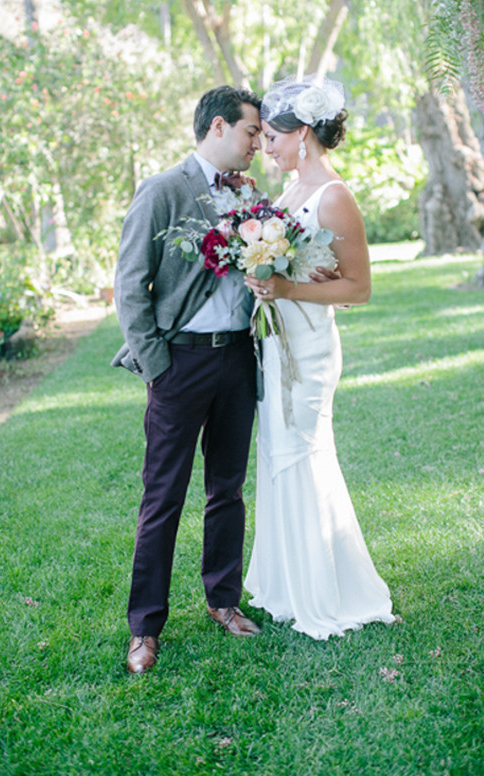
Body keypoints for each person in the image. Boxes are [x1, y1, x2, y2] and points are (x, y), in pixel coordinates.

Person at [112, 85, 264, 674]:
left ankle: (223, 600)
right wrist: (157, 365)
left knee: (227, 488)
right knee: (163, 497)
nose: (258, 143)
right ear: (218, 126)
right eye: (252, 131)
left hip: (237, 360)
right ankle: (145, 627)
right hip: (180, 363)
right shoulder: (162, 190)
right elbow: (131, 285)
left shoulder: (251, 196)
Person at [244, 75, 395, 640]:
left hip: (308, 351)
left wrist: (286, 289)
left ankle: (329, 592)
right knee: (278, 454)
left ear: (302, 133)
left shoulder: (333, 196)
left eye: (273, 137)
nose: (266, 147)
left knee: (302, 455)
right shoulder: (289, 193)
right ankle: (289, 585)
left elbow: (359, 288)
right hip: (277, 343)